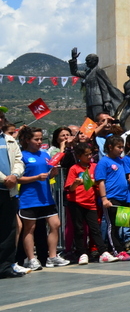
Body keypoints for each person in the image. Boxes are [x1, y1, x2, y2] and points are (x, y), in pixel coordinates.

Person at [17, 126, 70, 270]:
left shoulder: (45, 155)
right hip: (29, 199)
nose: (40, 142)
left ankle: (52, 257)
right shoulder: (22, 156)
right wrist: (35, 177)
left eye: (41, 139)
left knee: (55, 224)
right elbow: (17, 178)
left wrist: (54, 172)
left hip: (46, 198)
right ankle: (31, 259)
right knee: (30, 229)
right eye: (36, 139)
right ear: (28, 140)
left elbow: (49, 175)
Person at [66, 141, 119, 265]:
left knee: (95, 228)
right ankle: (82, 253)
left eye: (90, 154)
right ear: (79, 156)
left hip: (91, 203)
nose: (90, 157)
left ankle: (102, 252)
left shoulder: (95, 166)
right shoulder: (74, 168)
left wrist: (92, 181)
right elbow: (70, 188)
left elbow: (100, 181)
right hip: (76, 202)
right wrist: (76, 182)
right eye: (86, 155)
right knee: (79, 229)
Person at [95, 135, 130, 260]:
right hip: (111, 198)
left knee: (121, 225)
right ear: (110, 147)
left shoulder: (121, 161)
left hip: (123, 197)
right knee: (112, 226)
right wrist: (104, 198)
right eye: (119, 147)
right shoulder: (103, 162)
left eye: (122, 147)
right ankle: (116, 250)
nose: (121, 150)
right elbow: (100, 181)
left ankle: (119, 247)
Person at [0, 114, 26, 278]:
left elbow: (19, 160)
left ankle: (4, 266)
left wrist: (15, 175)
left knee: (9, 229)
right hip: (4, 184)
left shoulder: (9, 140)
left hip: (8, 192)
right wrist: (4, 179)